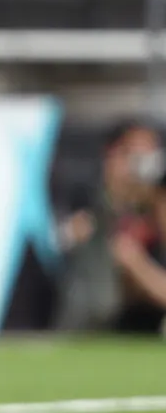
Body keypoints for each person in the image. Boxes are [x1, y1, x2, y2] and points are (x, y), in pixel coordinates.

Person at [55, 120, 166, 333]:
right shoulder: (84, 199)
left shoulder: (155, 207)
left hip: (143, 324)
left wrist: (137, 264)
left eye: (149, 157)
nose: (141, 167)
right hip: (90, 321)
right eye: (134, 157)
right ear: (112, 156)